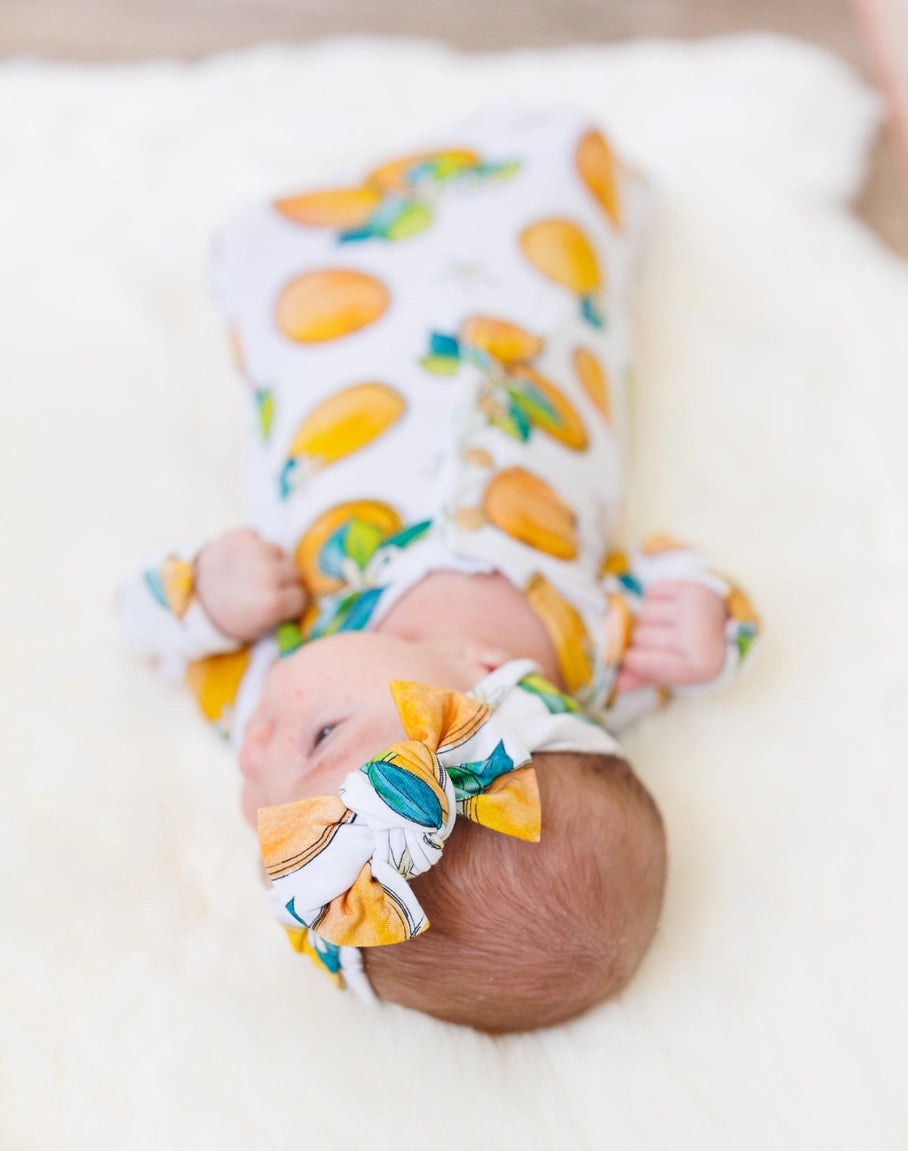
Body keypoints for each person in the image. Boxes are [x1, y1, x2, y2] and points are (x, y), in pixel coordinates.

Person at [120, 106, 758, 1032]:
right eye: (320, 736)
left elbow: (140, 622)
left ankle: (323, 225)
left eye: (262, 811)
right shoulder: (597, 657)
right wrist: (707, 627)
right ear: (494, 695)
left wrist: (209, 597)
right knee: (557, 206)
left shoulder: (282, 659)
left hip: (347, 355)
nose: (257, 752)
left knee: (288, 283)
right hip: (529, 335)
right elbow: (675, 576)